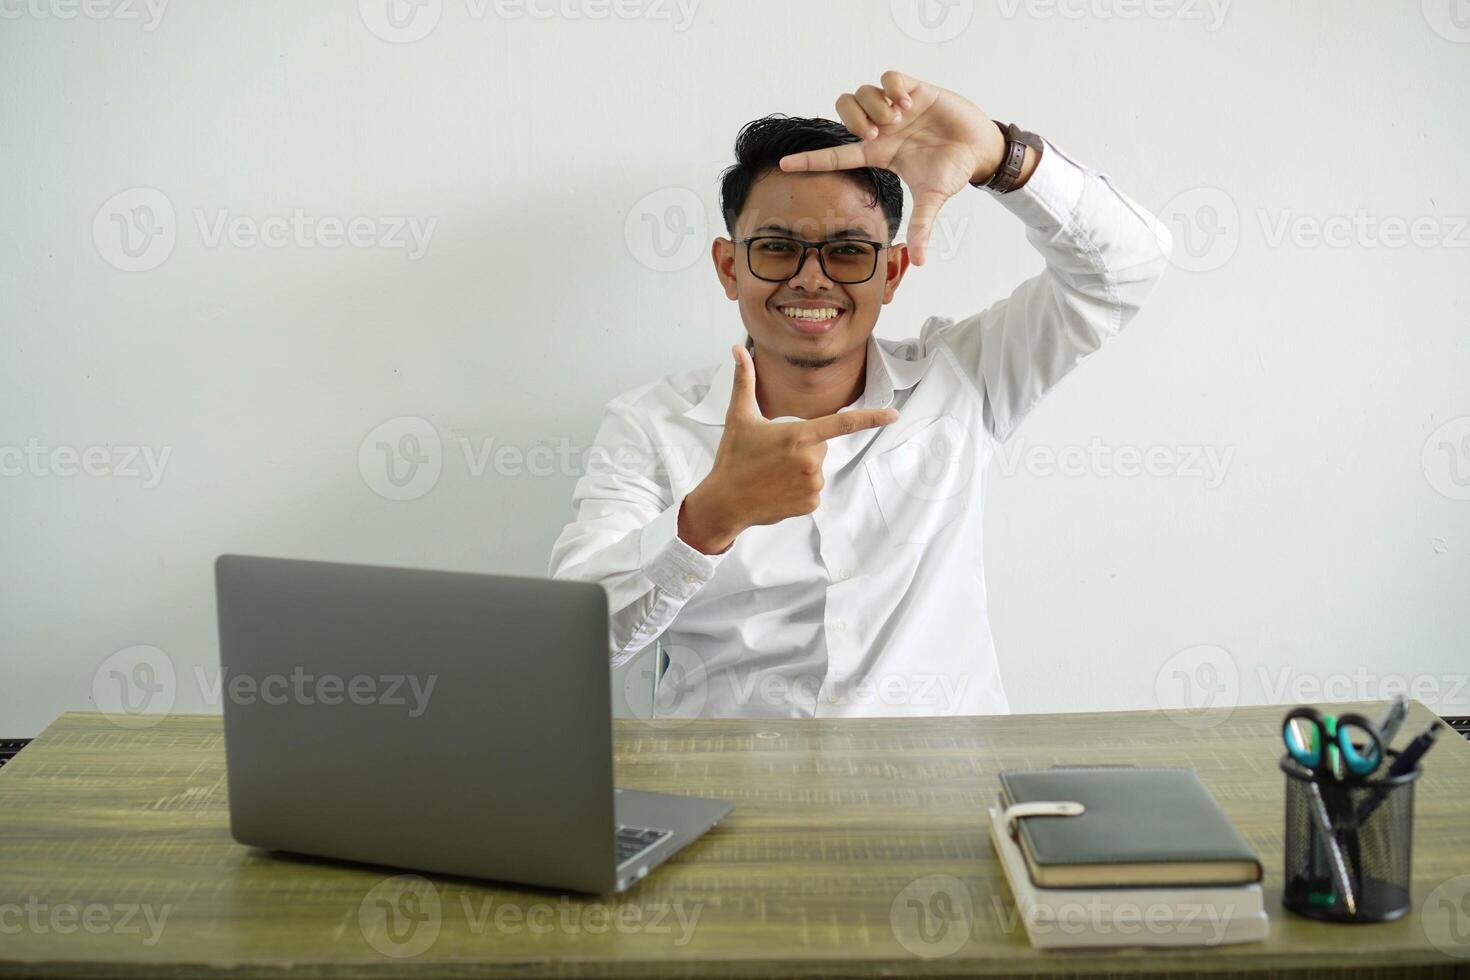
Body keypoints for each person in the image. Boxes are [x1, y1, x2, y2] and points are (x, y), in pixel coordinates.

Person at [549, 70, 1172, 718]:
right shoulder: (649, 426)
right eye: (777, 248)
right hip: (730, 789)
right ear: (730, 268)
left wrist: (1000, 157)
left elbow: (1128, 268)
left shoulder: (963, 378)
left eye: (847, 251)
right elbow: (570, 645)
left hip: (941, 788)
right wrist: (709, 518)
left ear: (893, 272)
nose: (811, 279)